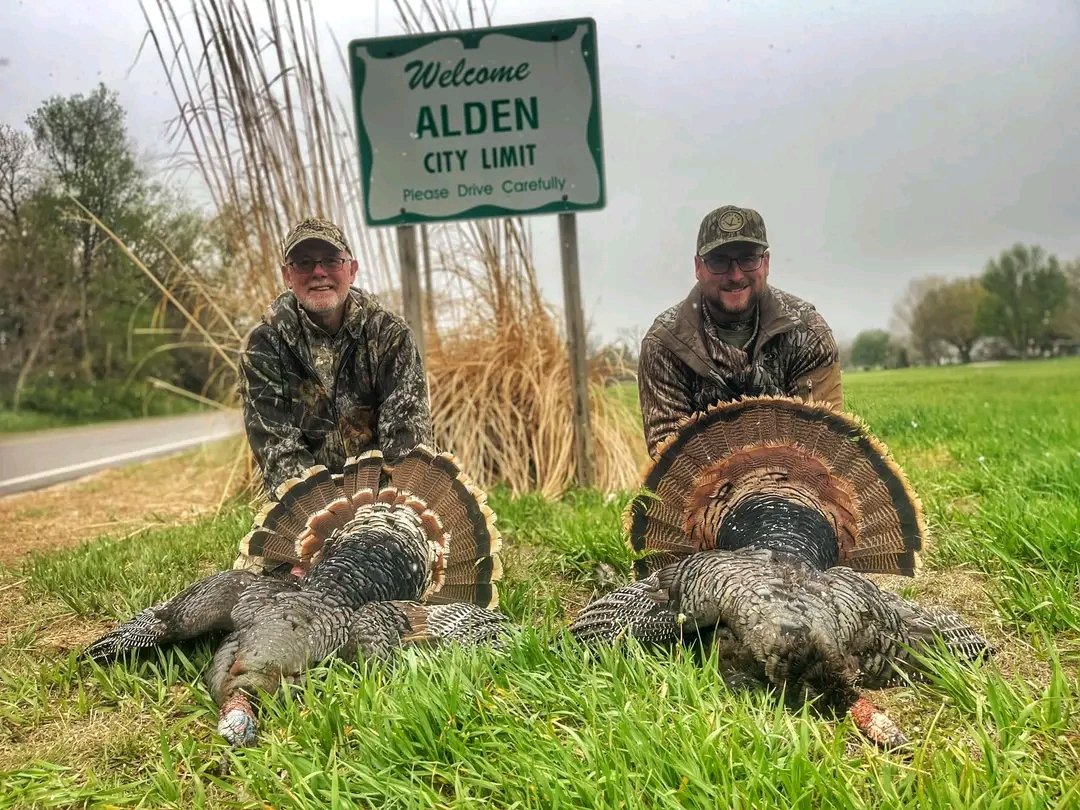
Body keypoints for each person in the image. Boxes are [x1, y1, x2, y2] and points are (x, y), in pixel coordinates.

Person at [238, 217, 433, 498]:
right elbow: (278, 451)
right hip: (309, 505)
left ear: (352, 270)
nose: (319, 272)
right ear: (287, 276)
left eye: (331, 261)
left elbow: (407, 443)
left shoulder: (389, 334)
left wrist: (389, 512)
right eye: (304, 263)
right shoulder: (264, 345)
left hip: (385, 499)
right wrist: (329, 515)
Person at [638, 205, 842, 455]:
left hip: (796, 485)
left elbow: (822, 443)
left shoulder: (808, 331)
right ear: (698, 267)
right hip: (708, 487)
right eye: (719, 261)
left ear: (765, 263)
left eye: (747, 259)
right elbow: (671, 459)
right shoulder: (665, 343)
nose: (735, 275)